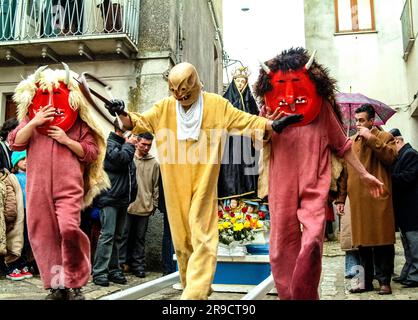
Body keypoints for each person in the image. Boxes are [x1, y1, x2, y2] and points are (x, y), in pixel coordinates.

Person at [103, 61, 307, 300]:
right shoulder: (164, 108)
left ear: (195, 85)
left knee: (203, 234)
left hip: (203, 178)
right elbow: (136, 122)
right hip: (174, 179)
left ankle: (194, 295)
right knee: (182, 240)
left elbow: (245, 120)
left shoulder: (216, 105)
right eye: (174, 91)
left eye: (184, 91)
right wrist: (121, 112)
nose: (179, 96)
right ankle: (193, 284)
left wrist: (272, 124)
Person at [253, 47, 385, 300]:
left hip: (315, 185)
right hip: (281, 188)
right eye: (283, 83)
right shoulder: (269, 108)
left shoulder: (321, 108)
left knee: (313, 242)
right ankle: (288, 296)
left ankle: (305, 295)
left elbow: (342, 145)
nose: (290, 94)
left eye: (296, 83)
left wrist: (365, 174)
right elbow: (257, 142)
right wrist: (268, 124)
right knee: (281, 249)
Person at [8, 65, 109, 300]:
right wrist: (34, 122)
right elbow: (15, 144)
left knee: (69, 229)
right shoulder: (31, 118)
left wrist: (66, 140)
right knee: (43, 235)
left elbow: (92, 152)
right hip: (37, 187)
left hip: (69, 185)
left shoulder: (78, 122)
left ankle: (75, 282)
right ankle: (57, 286)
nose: (52, 99)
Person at [335, 104, 397, 295]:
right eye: (357, 120)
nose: (358, 124)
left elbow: (391, 157)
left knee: (382, 242)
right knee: (361, 246)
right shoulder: (351, 141)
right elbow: (345, 173)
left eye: (362, 120)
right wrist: (340, 199)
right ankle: (365, 282)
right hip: (358, 202)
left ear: (372, 121)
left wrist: (371, 139)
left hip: (379, 199)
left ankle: (384, 281)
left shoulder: (385, 137)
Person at [92, 119, 137, 287]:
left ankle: (114, 270)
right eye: (131, 131)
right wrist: (130, 145)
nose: (134, 136)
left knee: (118, 237)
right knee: (108, 235)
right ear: (121, 130)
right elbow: (119, 160)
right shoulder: (108, 144)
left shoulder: (124, 145)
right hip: (109, 198)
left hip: (122, 199)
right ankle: (99, 272)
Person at [218, 66, 260, 201]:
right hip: (231, 142)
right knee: (232, 168)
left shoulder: (251, 101)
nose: (240, 84)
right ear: (233, 82)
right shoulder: (225, 100)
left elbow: (256, 119)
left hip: (247, 141)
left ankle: (249, 197)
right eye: (238, 81)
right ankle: (232, 197)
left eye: (243, 81)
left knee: (248, 168)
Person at [120, 132, 159, 278]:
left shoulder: (154, 163)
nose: (146, 147)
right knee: (123, 236)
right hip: (127, 205)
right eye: (143, 144)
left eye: (149, 145)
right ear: (136, 143)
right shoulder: (128, 158)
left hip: (145, 206)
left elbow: (156, 185)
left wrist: (154, 203)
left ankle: (138, 265)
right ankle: (121, 264)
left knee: (140, 238)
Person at [389, 128, 418, 287]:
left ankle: (415, 276)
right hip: (405, 210)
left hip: (412, 209)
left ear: (397, 141)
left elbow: (407, 178)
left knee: (414, 245)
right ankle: (408, 272)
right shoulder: (402, 155)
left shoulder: (411, 154)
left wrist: (387, 178)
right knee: (407, 244)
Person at [159, 175, 176, 275]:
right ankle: (170, 268)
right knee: (169, 236)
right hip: (170, 203)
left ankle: (170, 268)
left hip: (171, 203)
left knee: (169, 236)